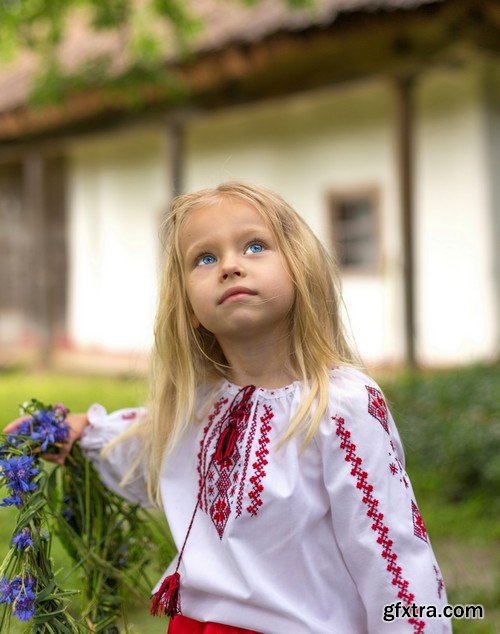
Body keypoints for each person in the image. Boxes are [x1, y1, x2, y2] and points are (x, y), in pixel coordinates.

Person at [4, 182, 451, 633]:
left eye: (255, 246)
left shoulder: (339, 406)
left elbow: (391, 554)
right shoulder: (194, 407)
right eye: (205, 258)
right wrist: (77, 432)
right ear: (189, 307)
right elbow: (141, 449)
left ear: (300, 268)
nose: (230, 266)